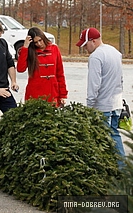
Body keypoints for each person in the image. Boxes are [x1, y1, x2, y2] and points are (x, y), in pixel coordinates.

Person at [76, 27, 125, 164]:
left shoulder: (96, 57)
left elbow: (94, 85)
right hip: (116, 102)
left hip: (102, 105)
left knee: (99, 138)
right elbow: (120, 79)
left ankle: (103, 168)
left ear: (93, 41)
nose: (85, 48)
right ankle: (122, 167)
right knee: (114, 134)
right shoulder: (115, 52)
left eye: (86, 44)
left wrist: (89, 106)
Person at [17, 27, 68, 106]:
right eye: (35, 42)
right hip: (34, 93)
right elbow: (20, 69)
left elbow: (60, 73)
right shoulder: (30, 51)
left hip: (52, 92)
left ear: (43, 36)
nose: (39, 44)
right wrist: (25, 47)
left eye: (40, 40)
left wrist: (63, 95)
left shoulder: (54, 49)